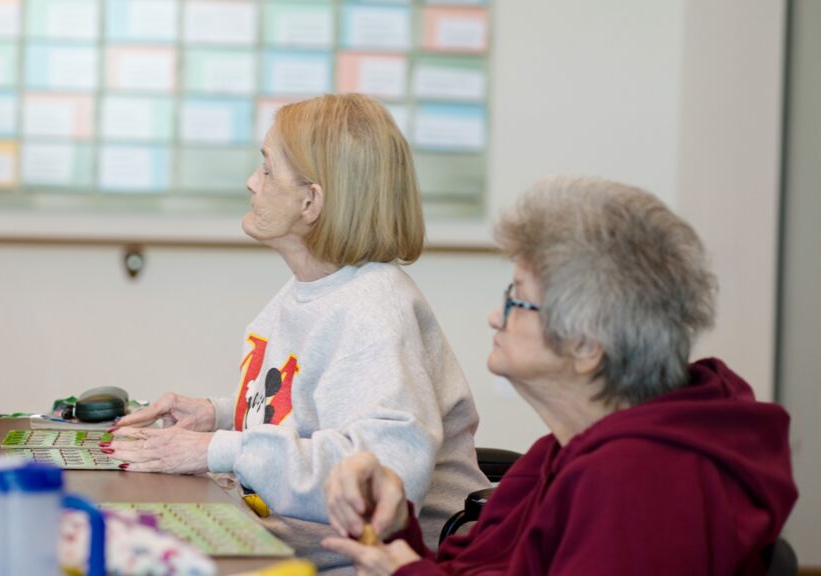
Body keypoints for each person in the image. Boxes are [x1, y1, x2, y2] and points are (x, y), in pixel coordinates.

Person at [322, 176, 798, 575]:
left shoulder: (639, 482)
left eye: (518, 300)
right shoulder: (564, 449)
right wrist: (389, 523)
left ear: (587, 345)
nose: (495, 316)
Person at [105, 93, 489, 571]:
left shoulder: (374, 305)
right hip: (288, 547)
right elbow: (310, 411)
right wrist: (217, 416)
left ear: (311, 201)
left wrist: (220, 449)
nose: (251, 182)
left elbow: (386, 475)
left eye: (266, 169)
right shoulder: (308, 290)